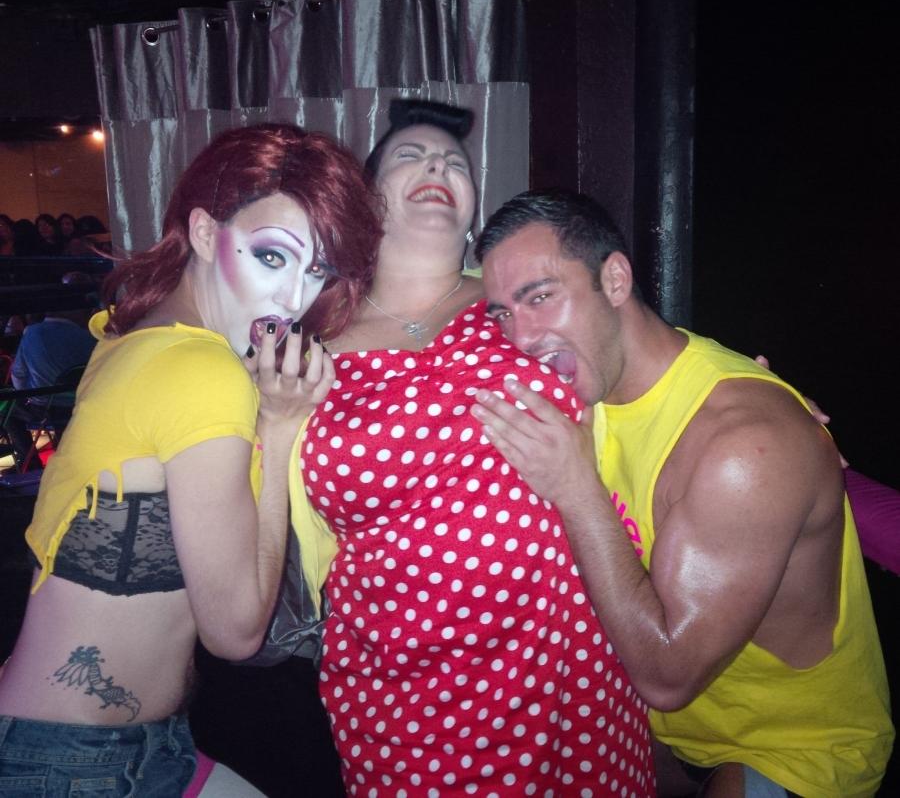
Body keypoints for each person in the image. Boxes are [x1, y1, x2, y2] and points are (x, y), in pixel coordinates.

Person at [285, 101, 656, 796]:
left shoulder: (523, 301)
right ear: (366, 198)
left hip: (565, 662)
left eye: (455, 163)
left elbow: (643, 353)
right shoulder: (309, 340)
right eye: (411, 156)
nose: (437, 165)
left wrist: (745, 390)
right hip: (399, 683)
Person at [471, 190, 894, 798]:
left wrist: (576, 488)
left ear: (615, 279)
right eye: (503, 314)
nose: (521, 336)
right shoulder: (591, 379)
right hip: (657, 735)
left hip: (791, 754)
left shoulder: (744, 448)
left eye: (540, 297)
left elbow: (668, 677)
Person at [0, 124, 382, 795]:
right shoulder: (201, 370)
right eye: (273, 256)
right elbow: (235, 632)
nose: (294, 298)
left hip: (97, 743)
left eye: (316, 269)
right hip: (79, 763)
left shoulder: (136, 335)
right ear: (205, 233)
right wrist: (281, 427)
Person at [5, 296, 97, 470]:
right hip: (83, 404)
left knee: (8, 410)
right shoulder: (86, 336)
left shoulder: (32, 334)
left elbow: (18, 373)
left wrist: (28, 395)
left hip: (45, 408)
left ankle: (30, 464)